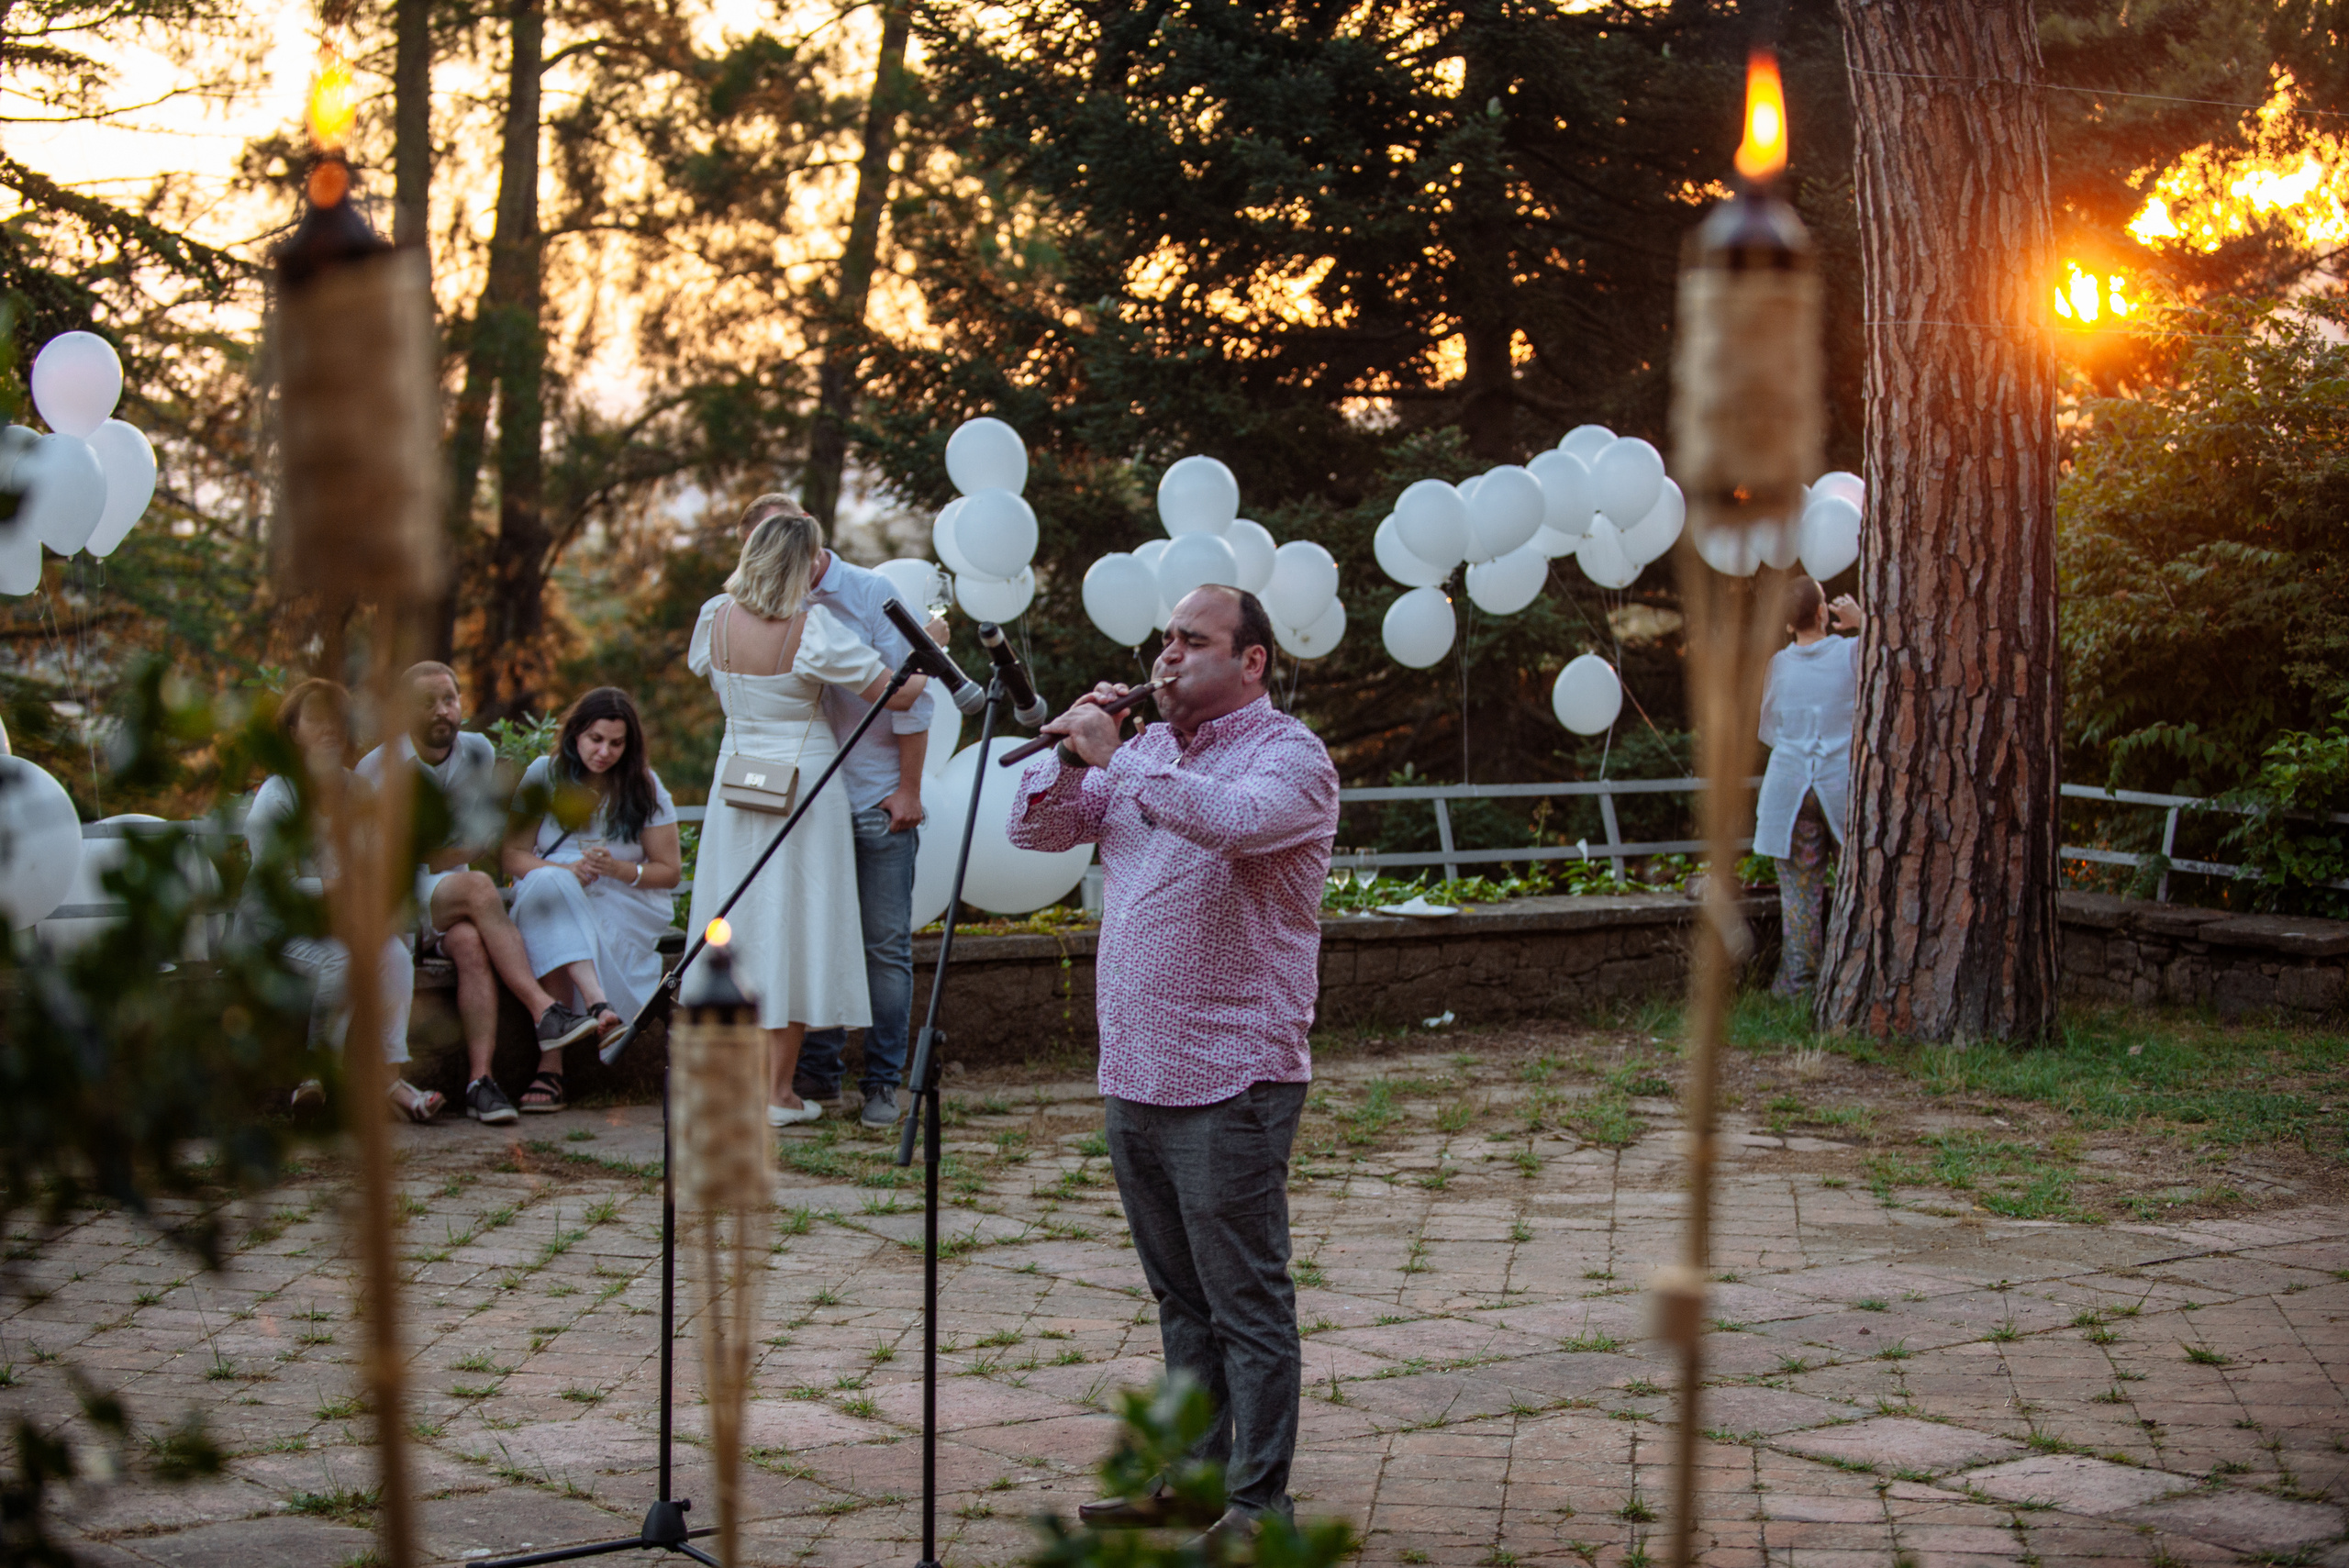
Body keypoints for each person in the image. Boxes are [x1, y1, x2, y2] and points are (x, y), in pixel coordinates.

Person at [1009, 584, 1339, 1545]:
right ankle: (1193, 1483)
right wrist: (1076, 754)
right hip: (1136, 1065)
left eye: (1192, 641)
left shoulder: (1292, 758)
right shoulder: (1145, 748)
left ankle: (1257, 1501)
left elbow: (1233, 823)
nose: (1168, 656)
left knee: (1245, 1298)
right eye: (1164, 640)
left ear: (1251, 662)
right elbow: (1033, 831)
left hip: (1234, 1071)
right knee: (1181, 1299)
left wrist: (1123, 761)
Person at [685, 505, 928, 1128]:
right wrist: (932, 646)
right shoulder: (811, 629)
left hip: (736, 784)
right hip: (802, 785)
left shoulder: (713, 618)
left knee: (740, 927)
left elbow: (709, 675)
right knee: (795, 930)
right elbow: (900, 691)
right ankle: (778, 1093)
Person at [360, 662, 601, 1125]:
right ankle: (543, 1009)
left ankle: (480, 1082)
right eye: (426, 703)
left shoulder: (477, 752)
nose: (440, 712)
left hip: (450, 899)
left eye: (448, 700)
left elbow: (482, 841)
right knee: (477, 884)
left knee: (470, 942)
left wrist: (433, 852)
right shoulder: (378, 768)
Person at [785, 495, 944, 1129]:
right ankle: (818, 1073)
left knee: (883, 948)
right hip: (810, 803)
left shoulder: (871, 594)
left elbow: (914, 697)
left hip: (876, 797)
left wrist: (908, 789)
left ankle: (882, 1082)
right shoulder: (777, 608)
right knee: (822, 941)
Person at [239, 678, 442, 1122]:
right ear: (293, 731)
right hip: (278, 931)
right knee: (342, 962)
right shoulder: (278, 796)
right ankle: (316, 1077)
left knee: (392, 953)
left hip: (339, 925)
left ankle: (389, 1077)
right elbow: (279, 887)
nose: (330, 728)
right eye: (315, 718)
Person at [501, 687, 685, 1113]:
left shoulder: (644, 786)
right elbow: (511, 856)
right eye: (595, 739)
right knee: (554, 890)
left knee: (561, 907)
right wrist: (567, 872)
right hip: (550, 892)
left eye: (616, 743)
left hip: (623, 898)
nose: (604, 752)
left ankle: (551, 1068)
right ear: (576, 734)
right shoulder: (543, 775)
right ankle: (600, 1005)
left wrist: (617, 869)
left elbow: (668, 870)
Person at [1755, 575, 1863, 996]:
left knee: (1800, 894)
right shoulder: (1853, 652)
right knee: (1859, 887)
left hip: (1790, 789)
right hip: (1841, 786)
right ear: (1823, 612)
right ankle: (1851, 980)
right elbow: (1898, 651)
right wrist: (1861, 620)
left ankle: (1797, 984)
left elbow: (1769, 731)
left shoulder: (1778, 665)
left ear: (1786, 625)